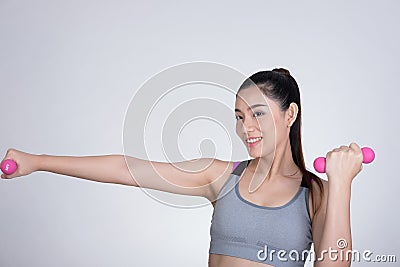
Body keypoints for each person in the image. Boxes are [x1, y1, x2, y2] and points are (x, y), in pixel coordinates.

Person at [1, 68, 363, 266]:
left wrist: (341, 183)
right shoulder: (220, 176)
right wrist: (38, 162)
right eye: (239, 116)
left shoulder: (315, 194)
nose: (245, 128)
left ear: (290, 115)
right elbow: (128, 169)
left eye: (257, 114)